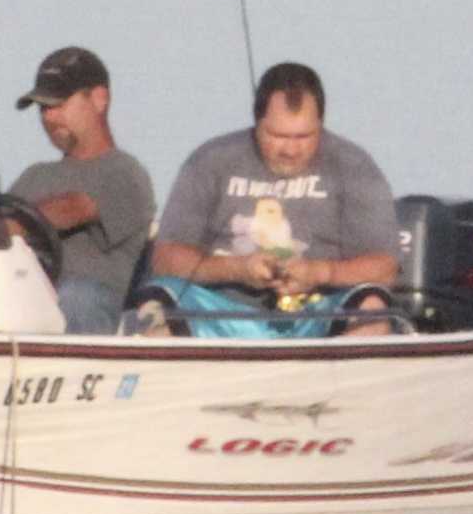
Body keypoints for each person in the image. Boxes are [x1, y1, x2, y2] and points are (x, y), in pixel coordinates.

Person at [146, 61, 398, 333]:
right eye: (277, 136)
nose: (290, 149)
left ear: (321, 124)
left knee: (372, 308)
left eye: (304, 136)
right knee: (158, 301)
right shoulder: (210, 161)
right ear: (257, 122)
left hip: (318, 315)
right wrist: (237, 269)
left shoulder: (353, 166)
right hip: (220, 313)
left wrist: (318, 273)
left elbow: (384, 268)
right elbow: (166, 259)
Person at [9, 46, 155, 333]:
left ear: (99, 99)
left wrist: (11, 224)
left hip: (92, 309)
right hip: (22, 296)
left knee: (78, 297)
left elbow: (74, 208)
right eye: (43, 108)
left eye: (58, 104)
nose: (49, 117)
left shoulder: (125, 172)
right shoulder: (33, 176)